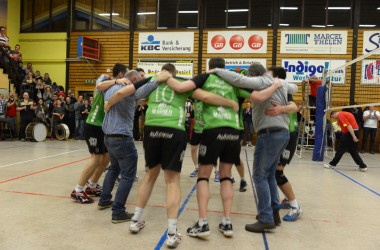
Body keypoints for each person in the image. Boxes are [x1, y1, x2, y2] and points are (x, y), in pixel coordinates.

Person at [105, 63, 238, 248]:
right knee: (172, 181)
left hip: (152, 130)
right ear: (174, 74)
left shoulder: (151, 82)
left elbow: (121, 93)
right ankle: (172, 232)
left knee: (150, 175)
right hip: (173, 131)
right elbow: (206, 96)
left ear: (162, 72)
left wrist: (108, 105)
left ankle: (135, 220)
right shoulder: (182, 82)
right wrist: (230, 102)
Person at [211, 62, 298, 233]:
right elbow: (294, 88)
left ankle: (265, 218)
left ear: (254, 76)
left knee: (259, 175)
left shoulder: (263, 81)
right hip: (282, 133)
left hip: (270, 133)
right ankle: (274, 214)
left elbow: (238, 79)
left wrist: (216, 70)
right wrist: (280, 83)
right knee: (270, 175)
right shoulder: (278, 83)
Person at [99, 69, 164, 223]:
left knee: (114, 168)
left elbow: (99, 83)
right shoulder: (130, 89)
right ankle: (118, 211)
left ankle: (104, 198)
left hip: (108, 136)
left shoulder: (110, 87)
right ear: (133, 80)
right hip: (122, 137)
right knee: (128, 175)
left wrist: (114, 81)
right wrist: (161, 76)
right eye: (140, 78)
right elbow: (151, 85)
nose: (142, 79)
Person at [267, 66, 302, 222]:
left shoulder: (284, 89)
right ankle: (288, 201)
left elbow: (294, 107)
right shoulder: (273, 90)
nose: (265, 76)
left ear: (277, 78)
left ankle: (295, 206)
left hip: (289, 135)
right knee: (272, 172)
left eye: (269, 74)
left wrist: (281, 109)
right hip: (278, 135)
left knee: (277, 173)